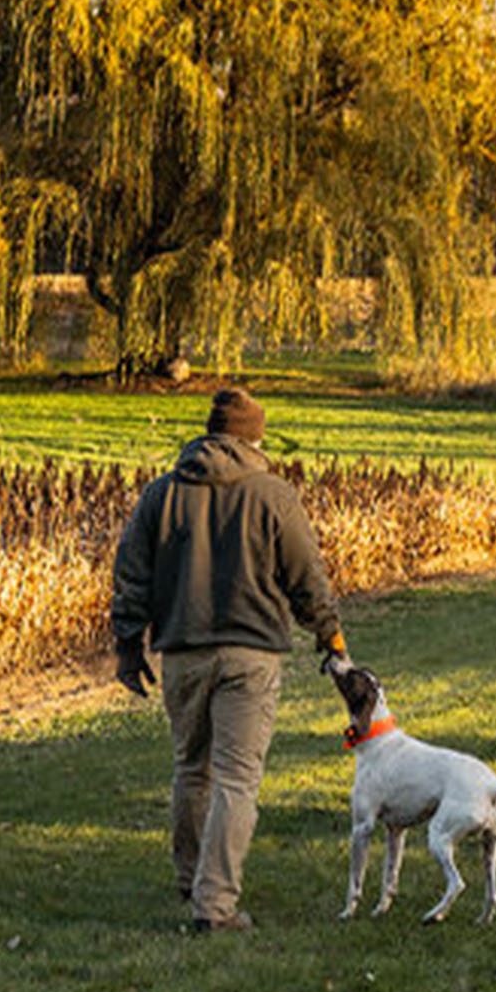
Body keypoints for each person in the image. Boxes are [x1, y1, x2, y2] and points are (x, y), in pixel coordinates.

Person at [112, 386, 351, 933]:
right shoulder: (274, 495)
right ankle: (215, 906)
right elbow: (306, 578)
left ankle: (190, 880)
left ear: (211, 432)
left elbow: (131, 574)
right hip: (251, 655)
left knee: (190, 770)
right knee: (237, 779)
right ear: (255, 437)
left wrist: (128, 644)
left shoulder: (162, 493)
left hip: (181, 653)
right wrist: (330, 635)